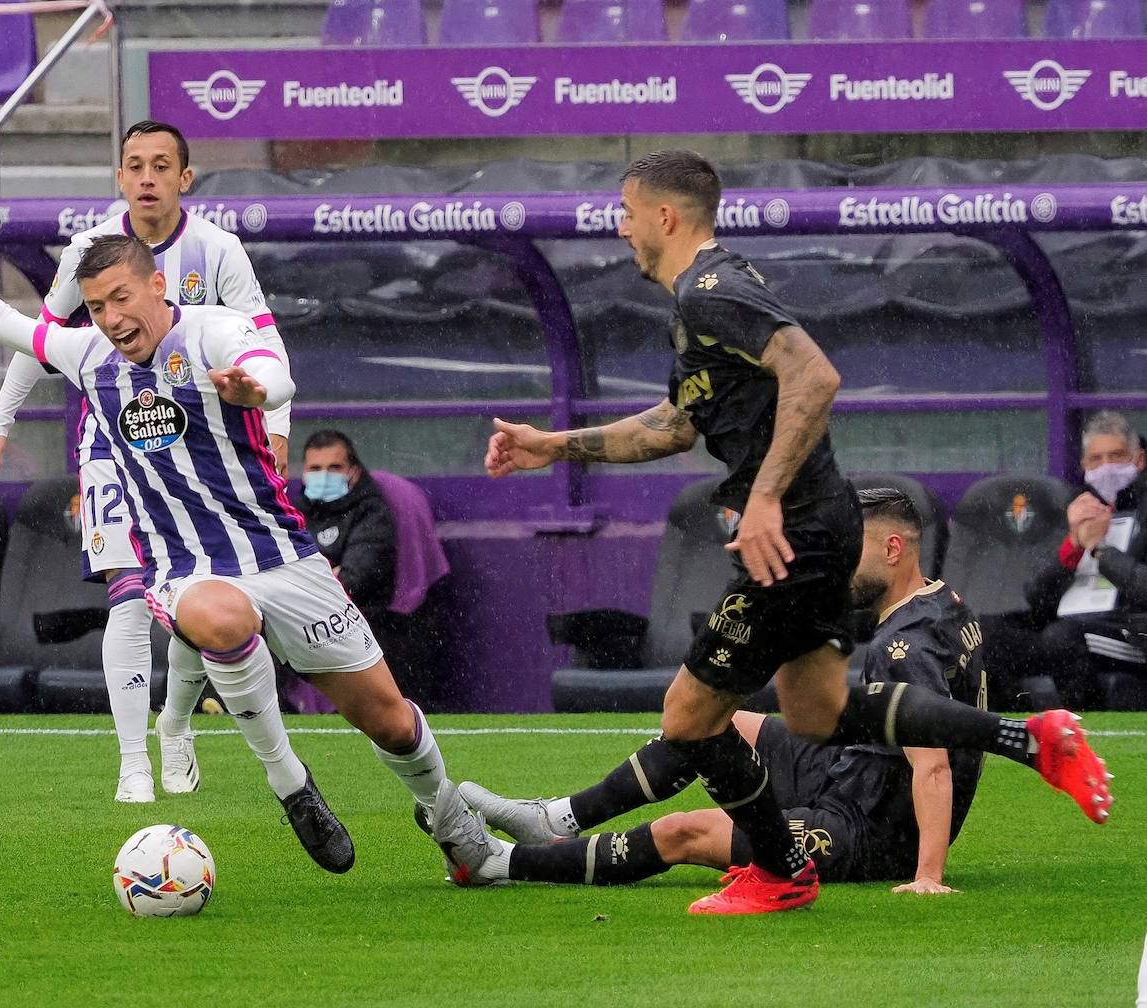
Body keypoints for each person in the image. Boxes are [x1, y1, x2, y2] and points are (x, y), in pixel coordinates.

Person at [469, 149, 1111, 915]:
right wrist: (553, 445)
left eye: (628, 213)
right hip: (821, 525)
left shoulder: (711, 290)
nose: (621, 226)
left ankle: (778, 872)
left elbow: (816, 375)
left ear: (665, 218)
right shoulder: (703, 300)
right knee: (818, 714)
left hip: (799, 532)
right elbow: (675, 426)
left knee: (689, 716)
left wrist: (767, 495)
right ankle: (1028, 739)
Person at [0, 184, 449, 877]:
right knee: (208, 618)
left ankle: (460, 830)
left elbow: (267, 364)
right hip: (185, 568)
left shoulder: (210, 329)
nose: (109, 317)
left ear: (157, 285)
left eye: (121, 298)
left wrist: (259, 389)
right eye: (96, 306)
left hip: (282, 555)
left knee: (393, 723)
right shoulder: (86, 356)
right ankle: (288, 784)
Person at [437, 488, 987, 895]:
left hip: (864, 830)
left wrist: (927, 875)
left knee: (684, 832)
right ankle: (555, 819)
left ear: (893, 549)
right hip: (852, 772)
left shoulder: (904, 649)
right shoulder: (944, 605)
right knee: (714, 722)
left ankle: (501, 863)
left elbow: (933, 764)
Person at [0, 120, 291, 804]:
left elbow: (265, 339)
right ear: (119, 178)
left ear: (184, 178)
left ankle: (174, 723)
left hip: (205, 449)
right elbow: (40, 337)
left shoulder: (218, 249)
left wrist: (277, 424)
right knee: (127, 595)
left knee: (191, 601)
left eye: (160, 165)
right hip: (115, 442)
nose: (146, 177)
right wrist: (0, 422)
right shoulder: (90, 249)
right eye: (133, 165)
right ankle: (132, 763)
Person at [985, 411, 1147, 708]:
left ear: (1139, 460)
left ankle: (1082, 736)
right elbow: (1036, 598)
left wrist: (1099, 549)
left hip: (1131, 632)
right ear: (1084, 466)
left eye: (1116, 456)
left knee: (1064, 637)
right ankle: (1017, 726)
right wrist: (1073, 545)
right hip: (1068, 624)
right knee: (987, 634)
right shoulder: (1078, 507)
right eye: (1096, 460)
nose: (1106, 467)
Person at [295, 430, 398, 615]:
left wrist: (302, 585)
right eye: (315, 469)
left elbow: (354, 580)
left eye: (335, 467)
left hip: (363, 621)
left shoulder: (371, 512)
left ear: (354, 472)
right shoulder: (294, 513)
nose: (324, 476)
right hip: (304, 619)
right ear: (304, 473)